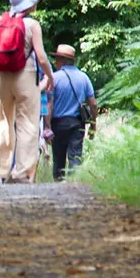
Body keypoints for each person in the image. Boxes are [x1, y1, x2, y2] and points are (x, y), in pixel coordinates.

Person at [0, 0, 54, 184]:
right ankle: (21, 172)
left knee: (4, 123)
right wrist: (49, 76)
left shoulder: (0, 21)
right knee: (28, 124)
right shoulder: (32, 25)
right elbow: (41, 57)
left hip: (3, 77)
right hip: (25, 75)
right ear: (28, 3)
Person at [47, 43, 97, 180]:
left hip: (58, 124)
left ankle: (58, 186)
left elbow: (49, 104)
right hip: (77, 124)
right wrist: (93, 125)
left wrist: (47, 126)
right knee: (75, 156)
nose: (55, 62)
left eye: (56, 59)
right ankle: (73, 185)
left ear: (62, 61)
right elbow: (93, 104)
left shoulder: (54, 78)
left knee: (58, 158)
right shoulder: (84, 77)